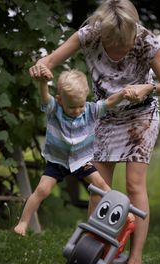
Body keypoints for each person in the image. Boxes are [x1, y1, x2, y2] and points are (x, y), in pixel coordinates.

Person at [29, 0, 160, 264]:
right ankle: (93, 253)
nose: (120, 46)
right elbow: (47, 61)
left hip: (140, 117)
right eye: (113, 40)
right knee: (98, 188)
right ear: (103, 31)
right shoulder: (89, 35)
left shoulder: (146, 40)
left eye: (125, 40)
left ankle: (135, 260)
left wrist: (148, 87)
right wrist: (41, 69)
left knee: (134, 186)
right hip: (104, 114)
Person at [14, 66, 130, 237]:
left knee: (102, 186)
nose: (76, 111)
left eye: (80, 106)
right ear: (60, 100)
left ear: (85, 100)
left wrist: (122, 94)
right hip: (57, 161)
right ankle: (23, 222)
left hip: (82, 161)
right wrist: (43, 83)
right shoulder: (55, 110)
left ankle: (122, 214)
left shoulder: (90, 110)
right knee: (42, 190)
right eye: (71, 107)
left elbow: (109, 102)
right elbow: (45, 98)